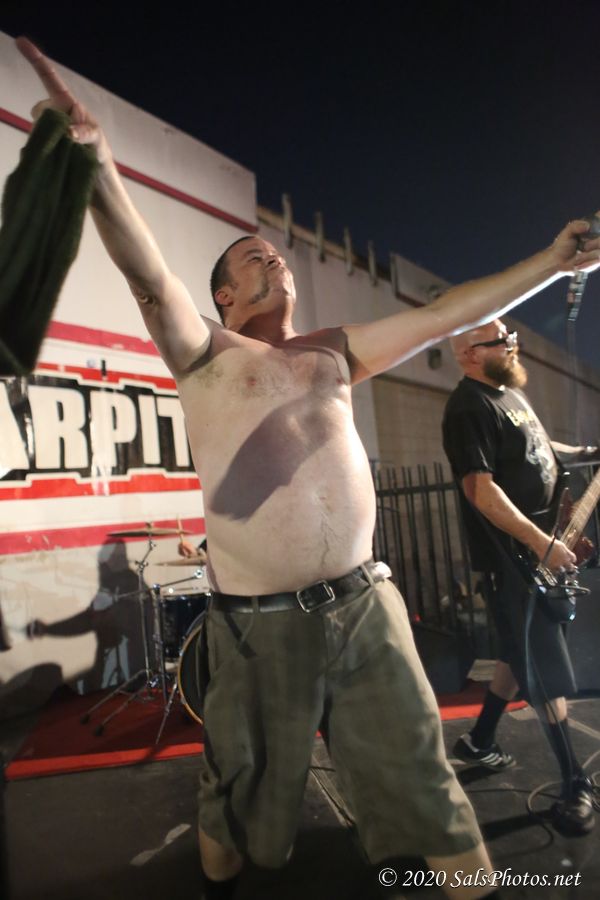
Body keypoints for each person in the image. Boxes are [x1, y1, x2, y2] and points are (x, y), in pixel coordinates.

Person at [17, 36, 600, 900]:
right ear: (222, 295)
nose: (274, 258)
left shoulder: (334, 350)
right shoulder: (203, 351)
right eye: (253, 257)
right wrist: (98, 165)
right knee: (240, 802)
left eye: (277, 253)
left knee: (425, 785)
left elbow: (445, 315)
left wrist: (552, 262)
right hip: (259, 627)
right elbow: (145, 274)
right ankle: (220, 867)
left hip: (368, 607)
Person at [442, 319, 599, 838]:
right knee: (545, 667)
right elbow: (481, 491)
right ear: (468, 354)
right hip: (514, 562)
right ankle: (574, 783)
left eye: (511, 336)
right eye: (500, 341)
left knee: (519, 649)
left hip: (538, 551)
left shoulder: (508, 394)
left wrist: (585, 455)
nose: (513, 344)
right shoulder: (468, 408)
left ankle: (480, 741)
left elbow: (539, 446)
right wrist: (540, 543)